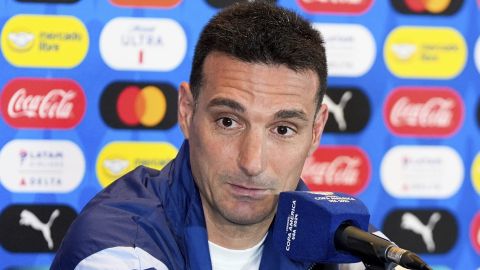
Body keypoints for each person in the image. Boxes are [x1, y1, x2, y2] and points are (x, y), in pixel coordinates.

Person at [51, 2, 387, 270]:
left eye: (283, 130)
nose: (253, 162)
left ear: (315, 131)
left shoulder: (351, 250)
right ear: (187, 111)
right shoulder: (121, 250)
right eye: (229, 122)